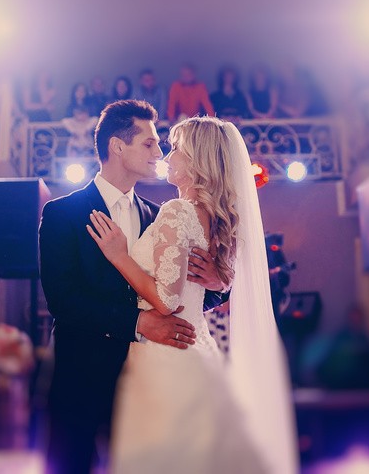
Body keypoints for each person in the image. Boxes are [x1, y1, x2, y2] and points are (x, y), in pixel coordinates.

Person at [87, 116, 297, 473]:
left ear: (197, 161)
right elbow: (204, 284)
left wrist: (120, 256)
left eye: (176, 149)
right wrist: (220, 282)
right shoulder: (213, 216)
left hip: (165, 354)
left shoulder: (177, 211)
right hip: (196, 346)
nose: (166, 156)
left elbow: (168, 301)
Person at [39, 100, 229, 474]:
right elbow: (63, 300)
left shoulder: (161, 215)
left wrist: (218, 285)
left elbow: (185, 291)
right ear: (117, 146)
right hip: (84, 372)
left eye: (161, 144)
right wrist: (139, 324)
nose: (158, 153)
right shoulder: (63, 214)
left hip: (150, 376)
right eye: (148, 143)